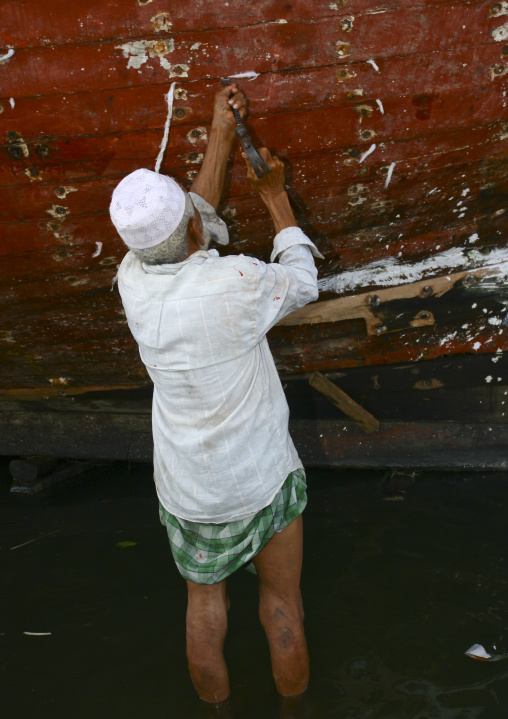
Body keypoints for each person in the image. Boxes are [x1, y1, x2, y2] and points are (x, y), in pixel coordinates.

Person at [109, 83, 323, 710]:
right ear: (196, 231)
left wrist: (219, 133)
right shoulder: (238, 282)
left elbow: (187, 224)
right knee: (283, 607)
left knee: (205, 609)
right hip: (259, 478)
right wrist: (275, 196)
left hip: (189, 491)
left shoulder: (132, 280)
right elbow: (303, 280)